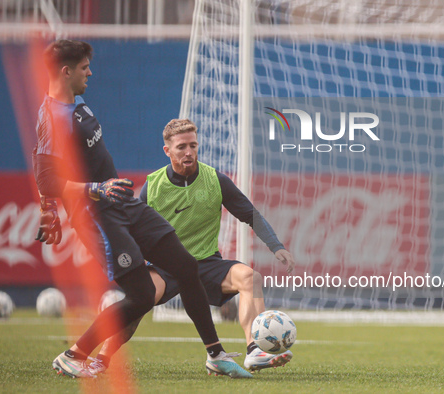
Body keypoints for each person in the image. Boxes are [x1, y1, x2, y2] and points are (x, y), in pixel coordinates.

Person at [34, 40, 252, 379]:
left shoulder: (77, 105)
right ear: (66, 71)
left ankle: (216, 355)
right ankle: (73, 354)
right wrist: (92, 191)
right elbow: (47, 177)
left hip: (123, 203)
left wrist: (54, 206)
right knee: (142, 296)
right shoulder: (51, 116)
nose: (90, 72)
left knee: (185, 265)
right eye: (83, 68)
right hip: (98, 216)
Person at [90, 118, 296, 374]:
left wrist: (276, 246)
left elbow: (250, 214)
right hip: (164, 266)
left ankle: (255, 350)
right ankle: (101, 360)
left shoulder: (215, 180)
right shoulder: (152, 186)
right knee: (139, 303)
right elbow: (131, 228)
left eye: (193, 145)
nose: (189, 152)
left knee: (251, 279)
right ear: (168, 151)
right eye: (181, 147)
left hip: (206, 262)